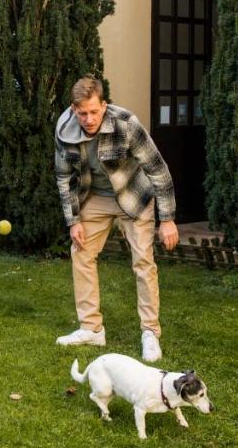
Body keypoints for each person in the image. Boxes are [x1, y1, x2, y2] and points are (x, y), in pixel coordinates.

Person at [54, 76, 179, 363]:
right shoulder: (64, 129)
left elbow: (158, 169)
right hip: (96, 197)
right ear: (74, 110)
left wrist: (168, 218)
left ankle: (150, 332)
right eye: (82, 112)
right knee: (81, 253)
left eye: (94, 112)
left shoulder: (126, 123)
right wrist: (73, 221)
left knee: (143, 261)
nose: (88, 119)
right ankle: (91, 328)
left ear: (104, 105)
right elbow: (64, 177)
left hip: (134, 195)